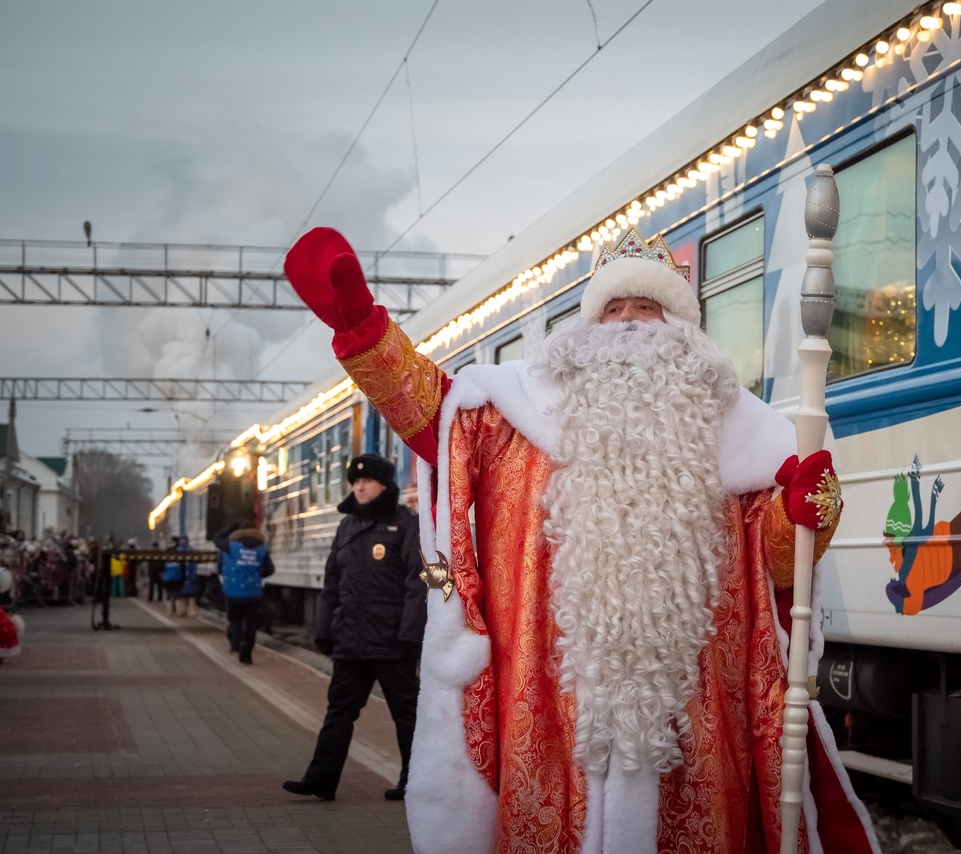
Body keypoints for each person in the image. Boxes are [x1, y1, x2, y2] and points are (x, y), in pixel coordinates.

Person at [285, 227, 878, 853]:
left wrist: (811, 509)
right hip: (552, 713)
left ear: (683, 330)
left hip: (699, 721)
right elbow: (434, 414)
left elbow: (782, 573)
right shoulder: (523, 412)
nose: (628, 325)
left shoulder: (750, 435)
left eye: (646, 309)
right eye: (613, 309)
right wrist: (364, 332)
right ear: (587, 327)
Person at [282, 453, 425, 803]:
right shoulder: (346, 526)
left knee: (407, 717)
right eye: (355, 481)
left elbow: (418, 582)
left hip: (392, 642)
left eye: (367, 481)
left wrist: (410, 634)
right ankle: (321, 779)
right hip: (351, 639)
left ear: (384, 485)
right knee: (338, 713)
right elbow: (332, 583)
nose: (359, 486)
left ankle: (414, 782)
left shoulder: (406, 524)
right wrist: (324, 630)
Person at [213, 521, 275, 665]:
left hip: (233, 592)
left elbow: (216, 538)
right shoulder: (262, 549)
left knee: (235, 621)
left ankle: (238, 644)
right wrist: (256, 575)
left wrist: (231, 526)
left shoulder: (231, 547)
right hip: (253, 593)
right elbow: (270, 570)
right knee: (251, 624)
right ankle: (247, 652)